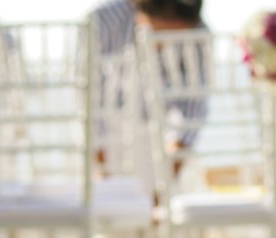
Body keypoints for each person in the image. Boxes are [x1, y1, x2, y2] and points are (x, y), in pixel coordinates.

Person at [89, 0, 208, 175]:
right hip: (110, 130)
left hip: (164, 134)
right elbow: (89, 97)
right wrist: (102, 168)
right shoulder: (102, 21)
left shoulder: (198, 33)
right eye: (160, 32)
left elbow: (193, 107)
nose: (163, 44)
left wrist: (165, 183)